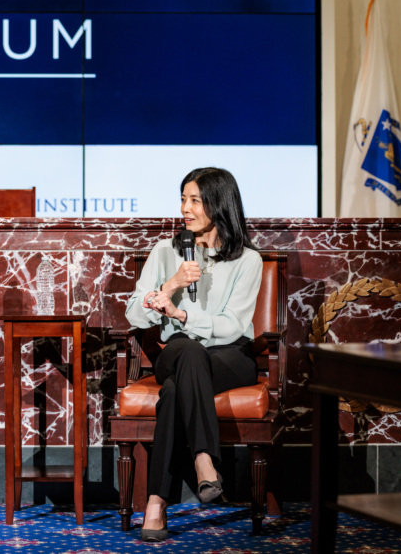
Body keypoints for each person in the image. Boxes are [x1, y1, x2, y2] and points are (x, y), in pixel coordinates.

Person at [123, 167, 262, 543]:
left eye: (194, 200)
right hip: (178, 352)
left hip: (229, 357)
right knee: (186, 349)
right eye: (183, 199)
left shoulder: (248, 260)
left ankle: (156, 502)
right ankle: (205, 458)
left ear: (219, 204)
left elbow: (233, 326)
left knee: (172, 392)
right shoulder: (166, 251)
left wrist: (181, 314)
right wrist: (172, 285)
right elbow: (135, 313)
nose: (185, 208)